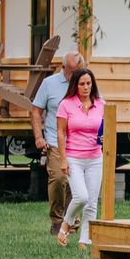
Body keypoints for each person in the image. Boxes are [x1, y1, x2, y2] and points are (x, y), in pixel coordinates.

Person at [30, 50, 81, 236]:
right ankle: (57, 220)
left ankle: (71, 222)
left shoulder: (85, 83)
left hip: (79, 142)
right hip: (54, 140)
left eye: (79, 70)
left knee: (76, 183)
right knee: (59, 179)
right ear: (63, 67)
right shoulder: (49, 84)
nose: (76, 75)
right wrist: (38, 137)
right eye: (72, 71)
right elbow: (36, 111)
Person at [54, 68, 106, 248]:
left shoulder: (101, 104)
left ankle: (85, 240)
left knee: (91, 203)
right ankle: (66, 224)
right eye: (82, 84)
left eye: (89, 83)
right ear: (75, 85)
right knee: (81, 197)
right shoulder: (66, 105)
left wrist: (104, 137)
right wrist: (63, 160)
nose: (86, 87)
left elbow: (105, 129)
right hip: (74, 157)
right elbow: (60, 133)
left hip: (95, 158)